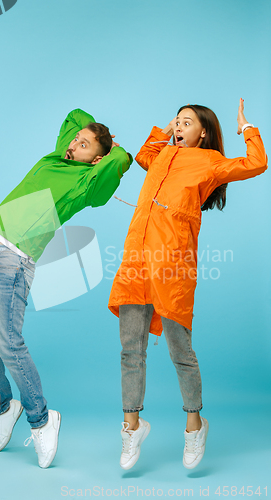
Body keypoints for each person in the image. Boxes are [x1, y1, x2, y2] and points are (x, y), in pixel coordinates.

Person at [0, 108, 132, 468]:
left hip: (12, 264)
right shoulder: (56, 158)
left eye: (84, 144)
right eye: (75, 139)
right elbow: (75, 115)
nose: (74, 144)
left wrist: (112, 148)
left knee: (9, 344)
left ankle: (42, 420)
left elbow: (121, 159)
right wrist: (86, 135)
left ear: (97, 159)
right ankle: (3, 407)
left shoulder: (85, 185)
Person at [108, 99, 267, 470]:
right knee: (131, 349)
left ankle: (195, 424)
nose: (179, 127)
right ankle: (132, 425)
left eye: (187, 122)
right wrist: (164, 132)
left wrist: (246, 128)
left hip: (172, 267)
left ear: (204, 132)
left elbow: (257, 163)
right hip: (136, 261)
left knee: (180, 350)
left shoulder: (210, 162)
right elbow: (146, 155)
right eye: (177, 122)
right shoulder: (161, 155)